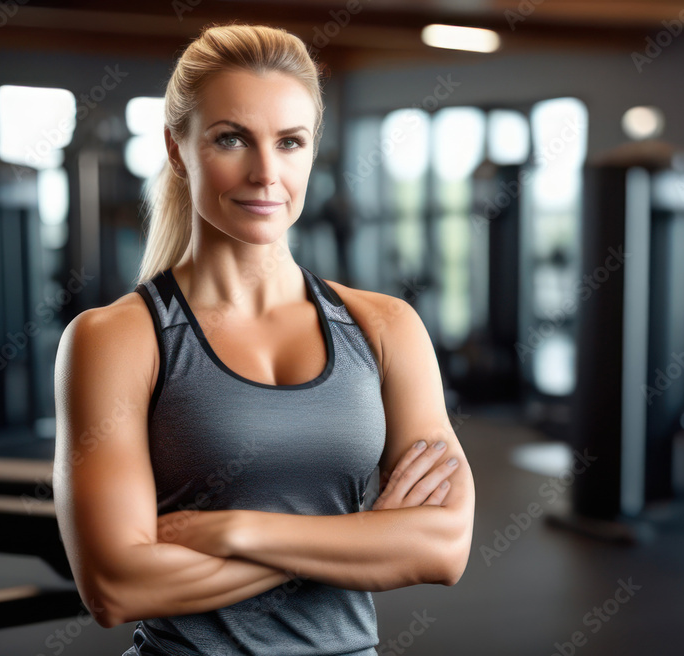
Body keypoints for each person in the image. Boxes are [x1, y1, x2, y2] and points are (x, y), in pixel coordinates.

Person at [52, 23, 475, 656]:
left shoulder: (386, 329)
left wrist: (238, 531)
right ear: (176, 149)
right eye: (231, 139)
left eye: (290, 142)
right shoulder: (118, 339)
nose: (265, 173)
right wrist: (362, 537)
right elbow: (116, 584)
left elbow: (442, 549)